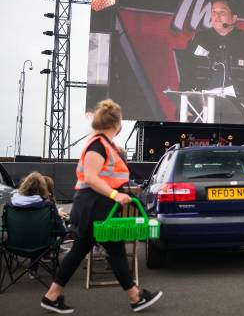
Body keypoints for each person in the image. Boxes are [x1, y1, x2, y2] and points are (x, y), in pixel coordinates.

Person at [41, 99, 162, 314]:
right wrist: (116, 195)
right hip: (94, 205)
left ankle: (52, 296)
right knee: (102, 250)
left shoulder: (102, 143)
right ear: (116, 123)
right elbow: (91, 177)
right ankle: (135, 297)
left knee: (91, 250)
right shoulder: (98, 145)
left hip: (96, 205)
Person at [180, 0, 244, 123]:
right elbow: (187, 72)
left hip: (238, 108)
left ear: (234, 18)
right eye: (214, 12)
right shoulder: (199, 39)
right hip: (201, 107)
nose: (216, 16)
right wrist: (186, 100)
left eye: (222, 12)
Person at [10, 172, 67, 278]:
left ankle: (32, 269)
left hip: (14, 244)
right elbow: (61, 230)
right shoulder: (47, 206)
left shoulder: (11, 205)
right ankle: (43, 261)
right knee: (43, 236)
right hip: (42, 245)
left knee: (33, 235)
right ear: (42, 188)